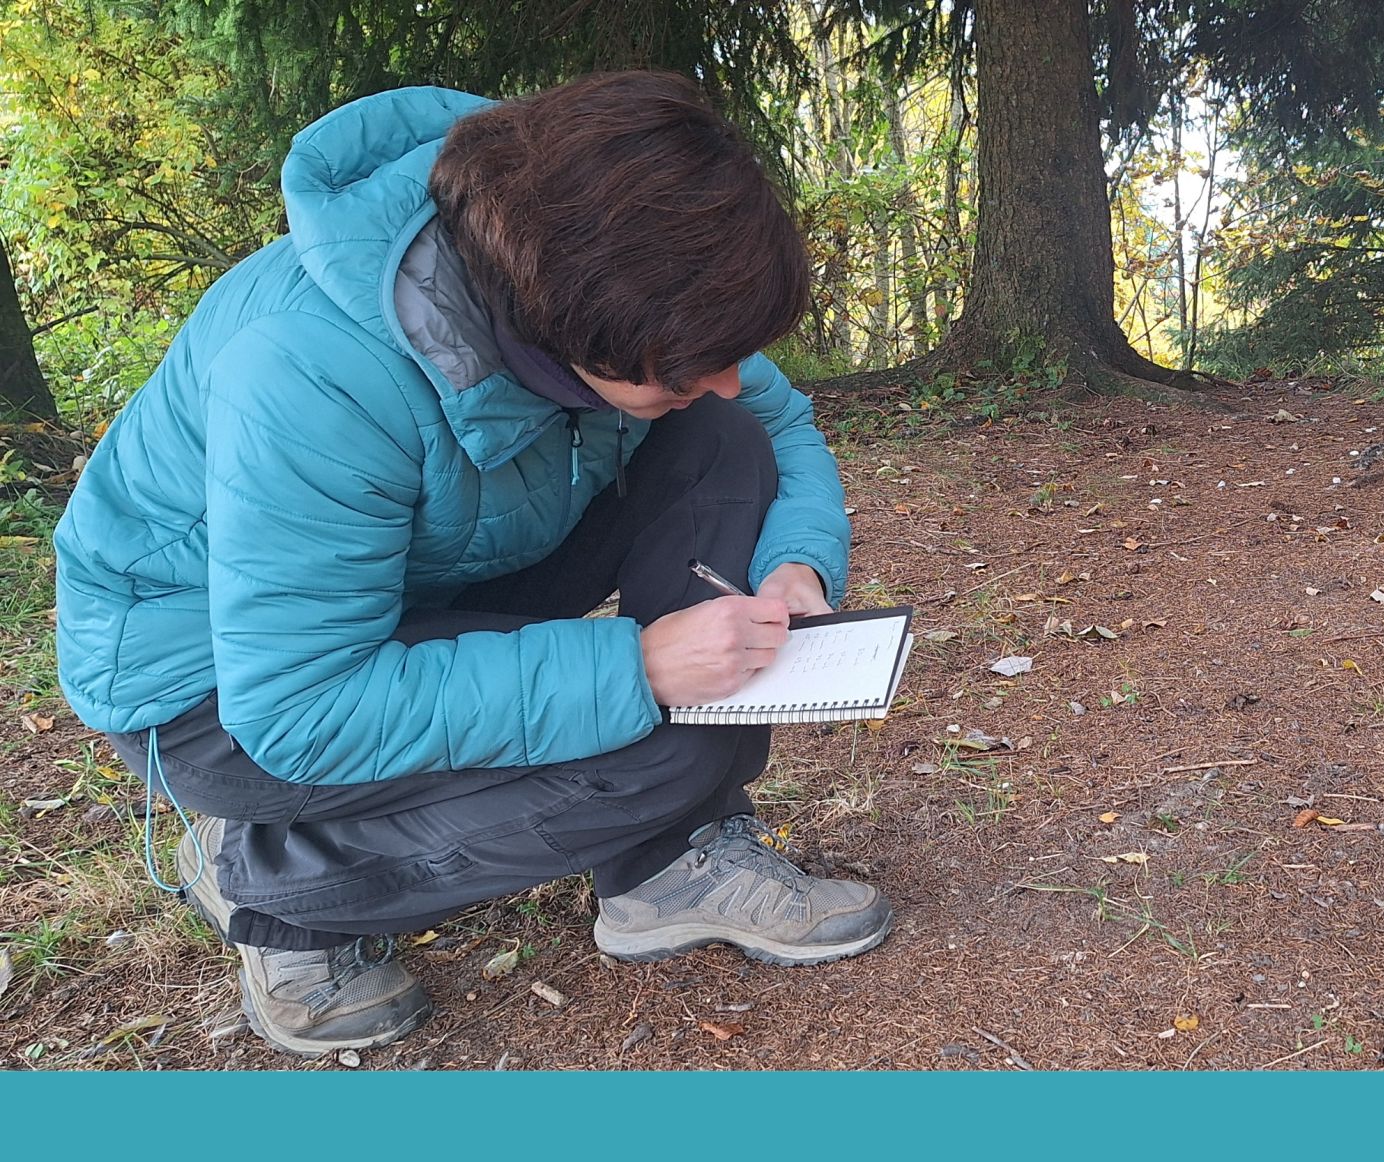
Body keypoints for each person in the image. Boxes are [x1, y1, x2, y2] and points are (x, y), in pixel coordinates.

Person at [52, 72, 891, 1057]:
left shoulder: (593, 262)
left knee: (721, 437)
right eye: (691, 359)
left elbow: (771, 419)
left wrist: (795, 566)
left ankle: (668, 863)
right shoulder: (308, 369)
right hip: (215, 688)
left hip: (420, 580)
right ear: (569, 326)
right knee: (668, 742)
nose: (725, 375)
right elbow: (298, 708)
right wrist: (641, 668)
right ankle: (275, 891)